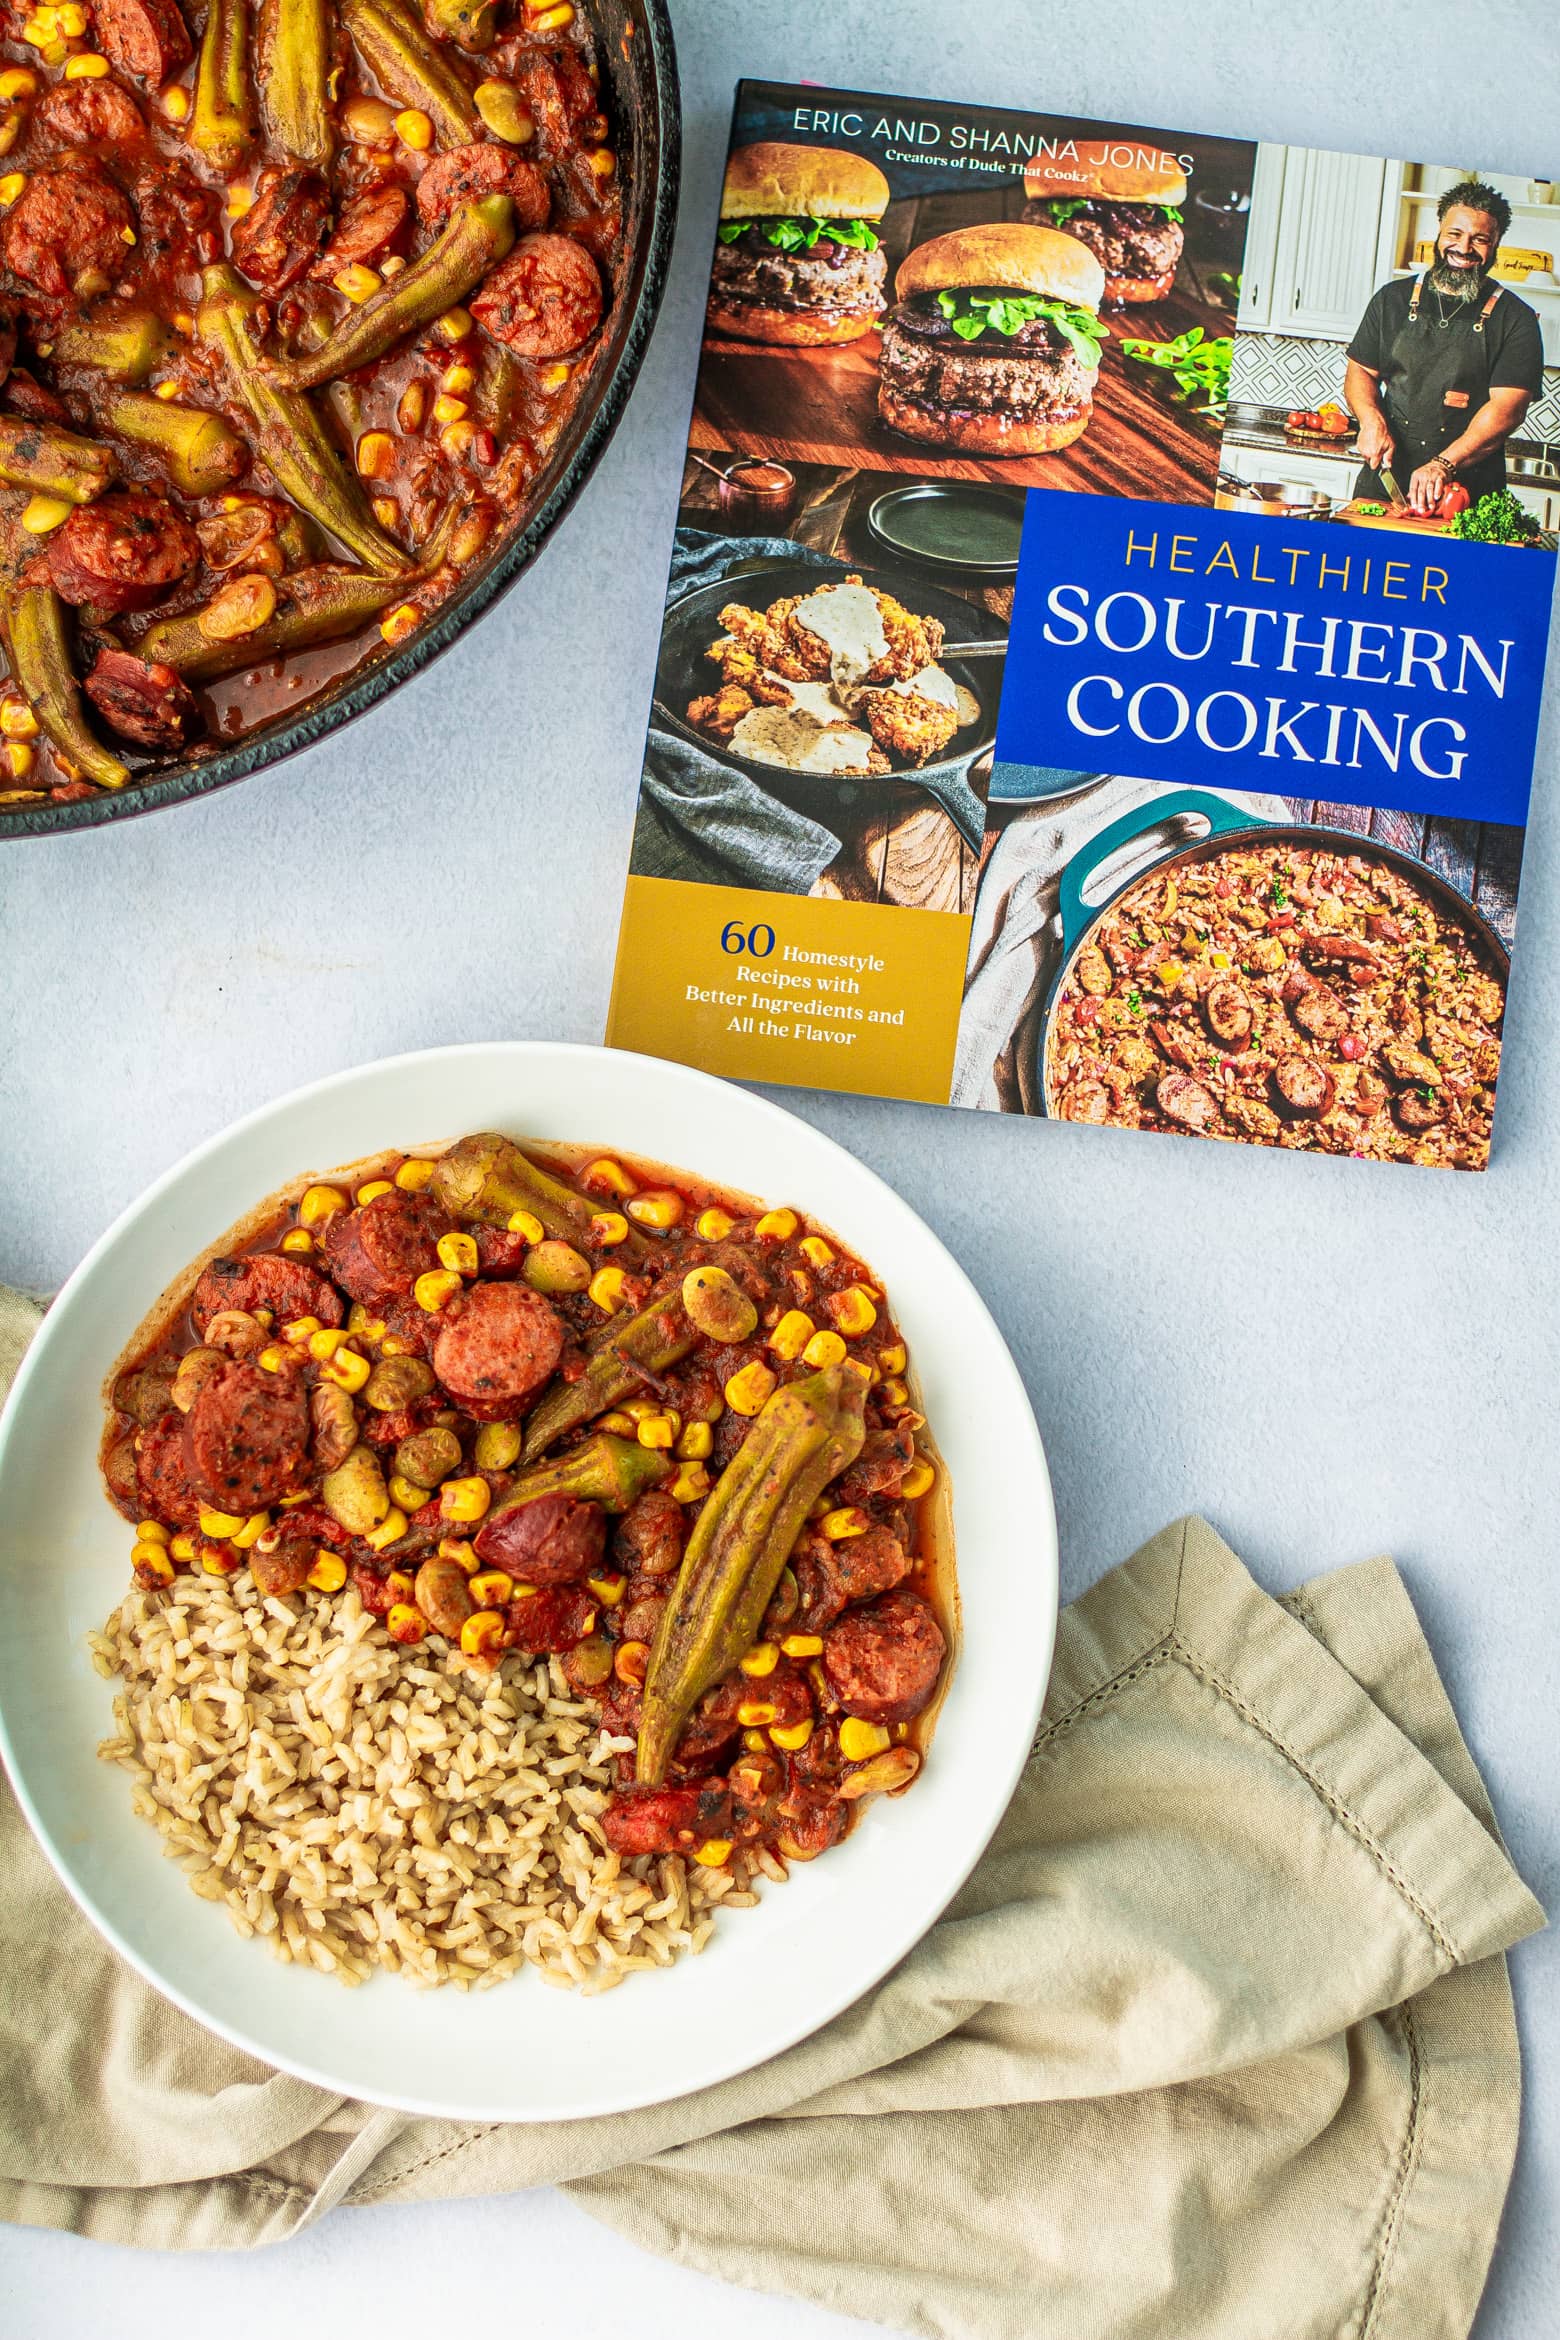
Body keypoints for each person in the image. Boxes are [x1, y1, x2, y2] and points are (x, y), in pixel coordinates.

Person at [1343, 179, 1543, 513]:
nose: (1464, 248)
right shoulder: (1391, 299)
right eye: (1455, 233)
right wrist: (1370, 420)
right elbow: (1361, 371)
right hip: (1385, 479)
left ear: (1496, 243)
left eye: (1480, 239)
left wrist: (1443, 464)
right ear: (1439, 229)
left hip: (1468, 492)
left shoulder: (1516, 318)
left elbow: (1508, 409)